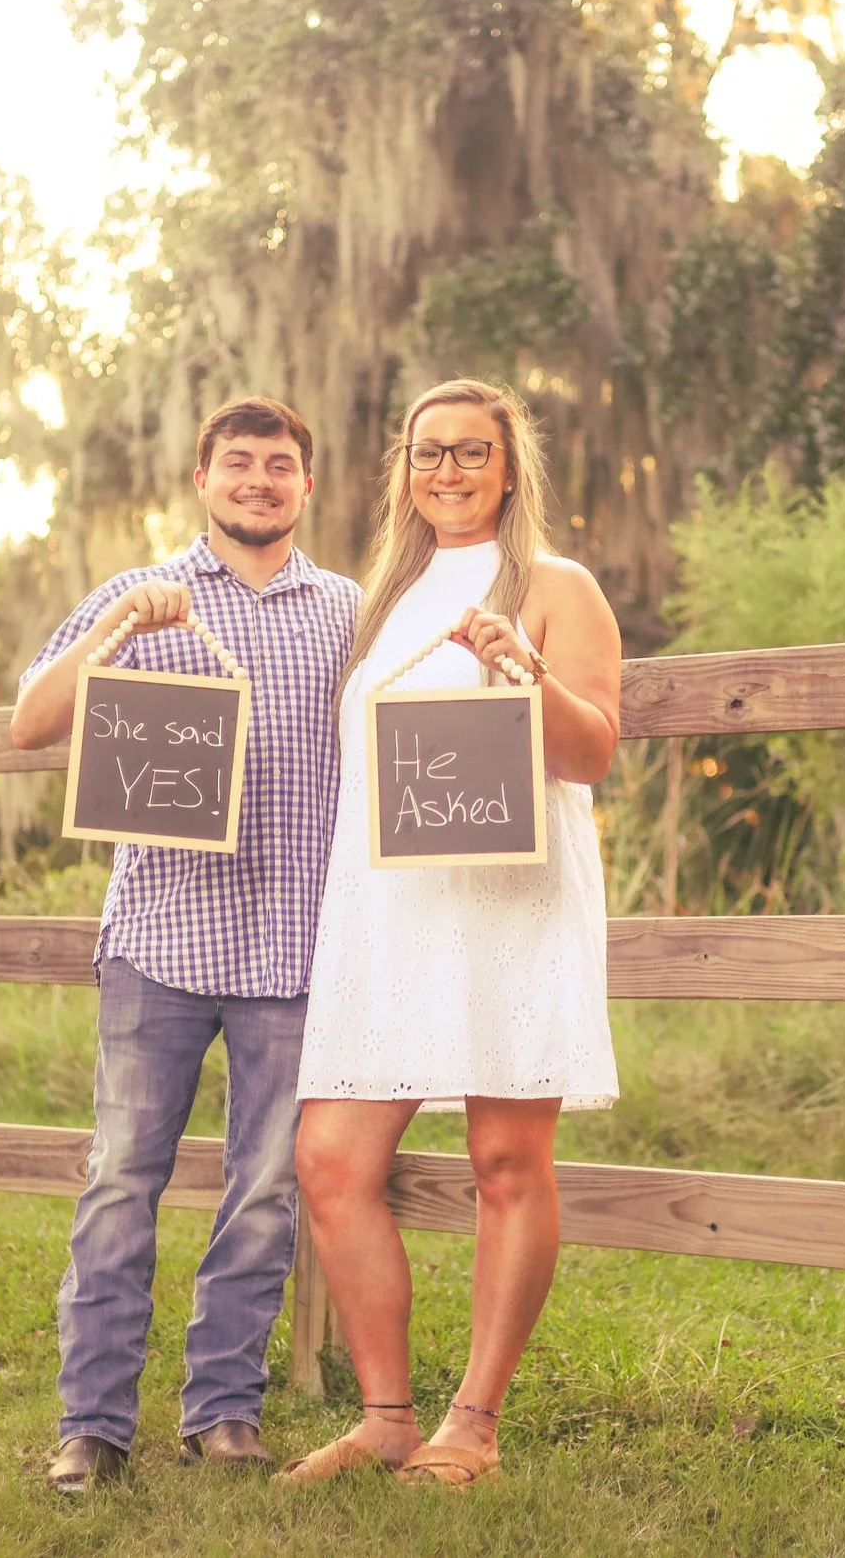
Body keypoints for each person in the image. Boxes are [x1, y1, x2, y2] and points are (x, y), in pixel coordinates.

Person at [9, 396, 359, 1493]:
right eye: (239, 462)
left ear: (308, 487)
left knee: (266, 1189)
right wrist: (121, 636)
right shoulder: (137, 596)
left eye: (281, 465)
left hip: (295, 949)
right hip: (159, 938)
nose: (259, 479)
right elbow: (29, 719)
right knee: (121, 1179)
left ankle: (224, 1409)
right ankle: (93, 1424)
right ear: (203, 478)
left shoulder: (349, 609)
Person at [283, 377, 623, 1488]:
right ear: (405, 467)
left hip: (510, 901)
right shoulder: (378, 596)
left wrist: (526, 677)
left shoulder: (556, 586)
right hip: (388, 908)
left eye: (471, 452)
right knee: (331, 1161)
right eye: (428, 452)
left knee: (505, 1157)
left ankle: (471, 1420)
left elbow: (591, 752)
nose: (448, 470)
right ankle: (384, 1416)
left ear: (510, 465)